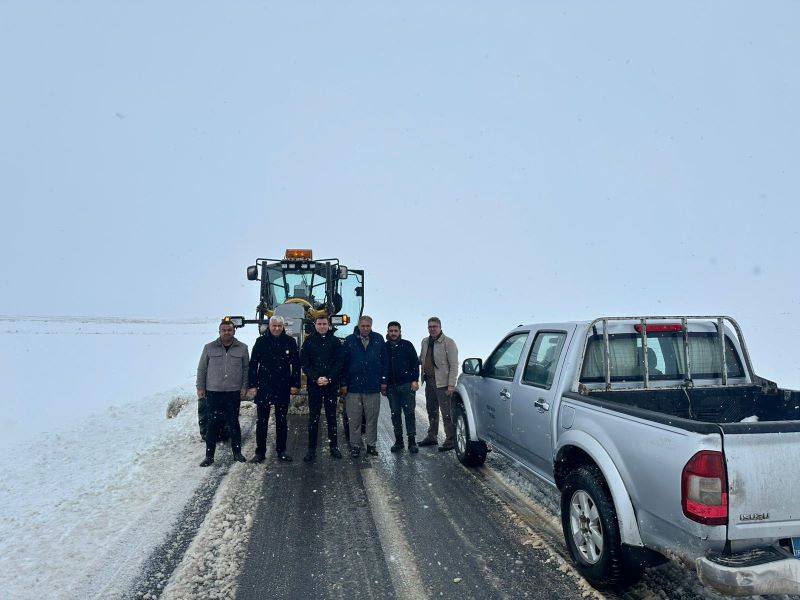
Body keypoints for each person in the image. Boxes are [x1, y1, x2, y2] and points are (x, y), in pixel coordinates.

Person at [246, 316, 300, 463]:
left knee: (281, 421)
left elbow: (296, 365)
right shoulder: (261, 342)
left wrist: (295, 384)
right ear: (269, 326)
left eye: (279, 326)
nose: (277, 328)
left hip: (282, 386)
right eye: (274, 326)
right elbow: (253, 364)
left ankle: (281, 450)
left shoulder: (290, 342)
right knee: (262, 421)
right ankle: (260, 452)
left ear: (283, 326)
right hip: (264, 386)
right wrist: (252, 385)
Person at [197, 319, 250, 466]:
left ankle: (237, 453)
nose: (227, 332)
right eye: (224, 330)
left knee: (234, 422)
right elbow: (202, 369)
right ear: (219, 331)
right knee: (212, 423)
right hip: (213, 392)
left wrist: (244, 386)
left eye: (230, 330)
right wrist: (200, 388)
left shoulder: (242, 348)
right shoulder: (209, 348)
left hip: (233, 392)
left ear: (234, 331)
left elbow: (246, 369)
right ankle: (209, 456)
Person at [341, 316, 387, 458]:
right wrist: (343, 384)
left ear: (371, 326)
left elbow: (384, 361)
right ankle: (355, 446)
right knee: (354, 419)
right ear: (359, 326)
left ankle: (371, 445)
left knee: (372, 418)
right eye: (363, 326)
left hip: (372, 387)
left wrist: (383, 381)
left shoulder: (379, 339)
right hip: (353, 387)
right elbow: (343, 364)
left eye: (368, 326)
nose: (365, 328)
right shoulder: (349, 340)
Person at [300, 315, 344, 461]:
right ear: (315, 325)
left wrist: (329, 378)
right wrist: (315, 378)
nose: (322, 326)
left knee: (332, 417)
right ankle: (311, 450)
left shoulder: (335, 342)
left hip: (331, 386)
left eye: (324, 323)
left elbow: (339, 363)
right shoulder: (309, 342)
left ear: (329, 325)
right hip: (315, 386)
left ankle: (334, 447)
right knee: (314, 418)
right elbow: (305, 363)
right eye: (319, 323)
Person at [418, 317, 459, 451]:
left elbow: (454, 365)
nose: (432, 329)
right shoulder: (425, 341)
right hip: (429, 381)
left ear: (440, 327)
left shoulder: (448, 342)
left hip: (443, 383)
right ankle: (432, 436)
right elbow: (421, 358)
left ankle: (451, 439)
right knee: (431, 410)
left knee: (446, 413)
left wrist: (451, 385)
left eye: (434, 326)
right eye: (430, 326)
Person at [384, 321, 420, 453]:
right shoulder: (385, 347)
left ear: (400, 332)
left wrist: (415, 380)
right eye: (391, 331)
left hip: (407, 385)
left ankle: (412, 442)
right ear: (388, 332)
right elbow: (383, 366)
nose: (393, 333)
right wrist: (383, 384)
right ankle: (399, 441)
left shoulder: (407, 345)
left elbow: (415, 364)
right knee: (395, 414)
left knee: (409, 413)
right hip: (391, 387)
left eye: (395, 331)